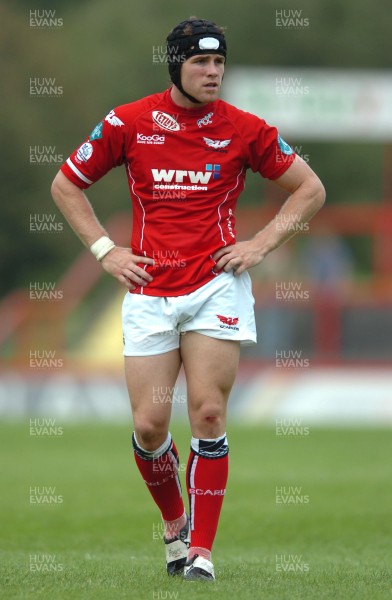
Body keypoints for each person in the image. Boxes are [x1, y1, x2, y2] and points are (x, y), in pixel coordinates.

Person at [51, 17, 325, 581]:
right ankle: (175, 526)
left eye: (220, 62)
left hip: (215, 288)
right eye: (201, 62)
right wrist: (106, 250)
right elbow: (65, 183)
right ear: (175, 64)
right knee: (151, 426)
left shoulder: (244, 129)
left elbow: (311, 188)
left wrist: (261, 243)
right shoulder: (129, 121)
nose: (213, 72)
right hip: (149, 290)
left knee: (207, 411)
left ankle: (201, 551)